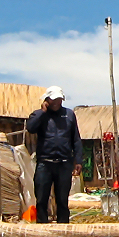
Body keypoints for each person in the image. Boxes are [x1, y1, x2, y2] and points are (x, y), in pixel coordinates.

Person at [26, 86, 83, 223]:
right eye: (54, 100)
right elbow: (30, 128)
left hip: (64, 163)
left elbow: (76, 139)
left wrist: (78, 160)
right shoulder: (39, 115)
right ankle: (42, 230)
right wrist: (42, 112)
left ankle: (63, 232)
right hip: (45, 163)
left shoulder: (69, 115)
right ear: (47, 100)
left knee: (62, 201)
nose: (57, 102)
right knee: (41, 200)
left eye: (59, 99)